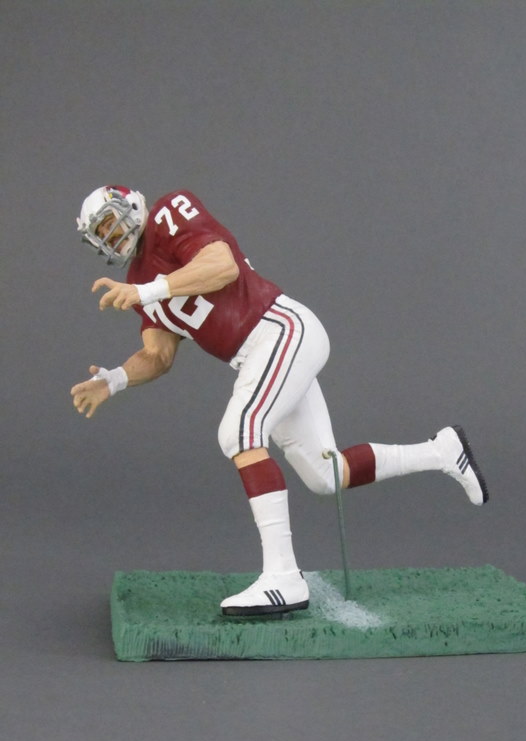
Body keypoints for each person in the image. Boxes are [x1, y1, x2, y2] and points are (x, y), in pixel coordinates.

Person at [71, 185, 489, 616]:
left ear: (131, 204)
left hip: (280, 330)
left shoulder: (168, 215)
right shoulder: (138, 283)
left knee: (239, 432)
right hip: (258, 356)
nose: (111, 235)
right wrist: (114, 380)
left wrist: (149, 291)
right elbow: (158, 355)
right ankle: (443, 451)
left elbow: (222, 266)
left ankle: (283, 577)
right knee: (326, 474)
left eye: (110, 222)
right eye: (101, 234)